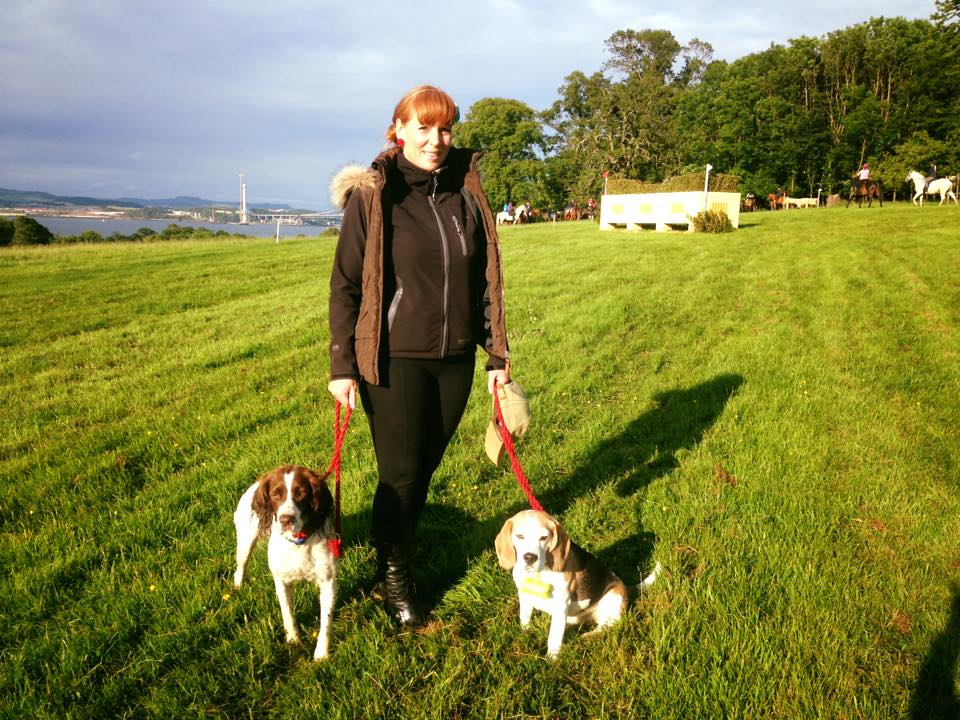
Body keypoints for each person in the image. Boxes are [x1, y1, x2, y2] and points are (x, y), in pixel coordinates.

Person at [327, 85, 510, 627]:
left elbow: (485, 280)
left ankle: (397, 542)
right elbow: (345, 285)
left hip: (454, 359)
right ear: (398, 130)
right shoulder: (374, 196)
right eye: (423, 128)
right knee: (401, 473)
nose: (436, 141)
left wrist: (495, 352)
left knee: (424, 465)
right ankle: (395, 576)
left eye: (445, 129)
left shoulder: (463, 193)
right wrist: (342, 366)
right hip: (393, 356)